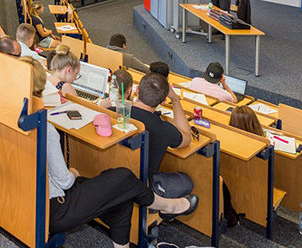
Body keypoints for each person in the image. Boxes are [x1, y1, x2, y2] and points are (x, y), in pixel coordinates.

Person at [35, 58, 197, 248]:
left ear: (136, 92)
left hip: (42, 197)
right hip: (56, 205)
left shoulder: (109, 111)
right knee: (126, 177)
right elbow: (65, 181)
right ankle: (166, 205)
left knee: (123, 192)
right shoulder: (46, 129)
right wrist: (176, 100)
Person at [128, 74, 195, 190]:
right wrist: (175, 100)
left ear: (137, 90)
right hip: (143, 185)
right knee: (186, 182)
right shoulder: (163, 129)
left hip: (116, 176)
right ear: (163, 101)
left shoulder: (114, 112)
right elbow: (187, 136)